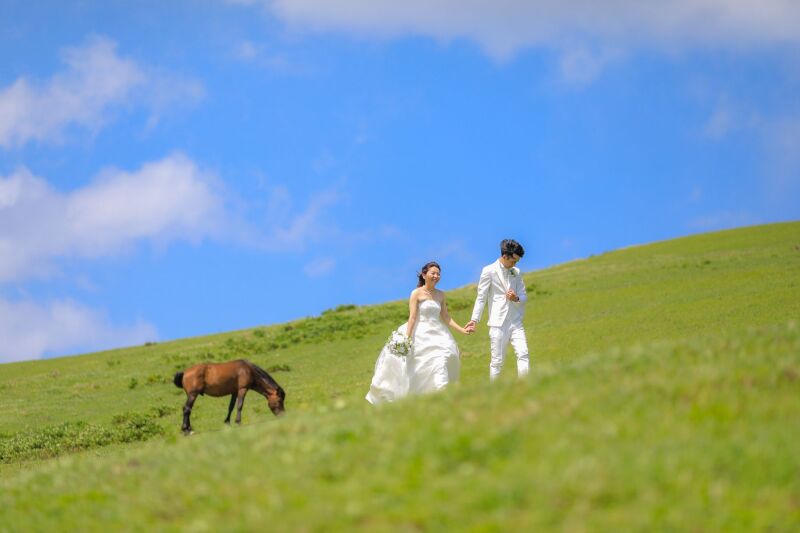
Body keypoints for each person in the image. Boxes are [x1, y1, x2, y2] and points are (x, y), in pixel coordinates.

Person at [366, 261, 471, 404]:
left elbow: (446, 317)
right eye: (433, 273)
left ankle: (443, 391)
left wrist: (463, 330)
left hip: (439, 334)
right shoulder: (416, 293)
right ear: (424, 275)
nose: (436, 276)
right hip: (420, 333)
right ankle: (423, 396)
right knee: (418, 366)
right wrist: (406, 339)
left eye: (438, 274)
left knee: (444, 356)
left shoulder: (441, 295)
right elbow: (413, 317)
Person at [465, 239, 530, 380]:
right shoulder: (488, 271)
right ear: (505, 256)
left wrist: (516, 298)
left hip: (515, 321)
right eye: (513, 261)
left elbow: (524, 296)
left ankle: (526, 385)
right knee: (497, 361)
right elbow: (481, 297)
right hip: (498, 323)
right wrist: (474, 320)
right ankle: (493, 392)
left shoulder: (517, 272)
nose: (515, 264)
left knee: (523, 353)